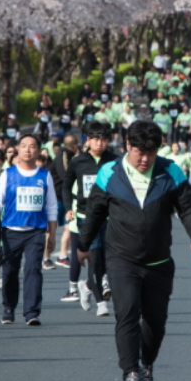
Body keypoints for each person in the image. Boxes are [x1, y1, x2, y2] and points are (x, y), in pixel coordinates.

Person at [78, 120, 191, 381]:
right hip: (122, 260)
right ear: (127, 146)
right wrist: (83, 244)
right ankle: (130, 373)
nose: (145, 158)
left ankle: (147, 366)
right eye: (139, 152)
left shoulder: (170, 171)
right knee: (127, 314)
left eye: (151, 152)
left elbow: (189, 208)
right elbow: (95, 211)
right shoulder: (109, 173)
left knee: (156, 321)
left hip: (159, 262)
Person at [0, 133, 57, 325]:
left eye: (32, 146)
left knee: (33, 270)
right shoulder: (8, 174)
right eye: (23, 146)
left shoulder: (44, 176)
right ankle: (8, 307)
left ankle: (31, 312)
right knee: (9, 272)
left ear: (38, 150)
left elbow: (52, 206)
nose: (28, 149)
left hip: (36, 232)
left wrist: (52, 234)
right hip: (10, 232)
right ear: (18, 149)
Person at [64, 122, 119, 316]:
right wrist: (69, 208)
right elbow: (66, 185)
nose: (99, 143)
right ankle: (101, 302)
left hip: (110, 217)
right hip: (85, 218)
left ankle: (87, 285)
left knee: (106, 259)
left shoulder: (115, 161)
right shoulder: (78, 162)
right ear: (88, 140)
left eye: (103, 139)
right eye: (95, 139)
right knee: (94, 259)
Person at [50, 134, 78, 272]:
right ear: (75, 146)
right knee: (51, 231)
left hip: (63, 198)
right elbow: (65, 176)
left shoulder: (65, 155)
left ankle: (63, 255)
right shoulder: (63, 157)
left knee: (69, 227)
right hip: (58, 199)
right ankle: (47, 257)